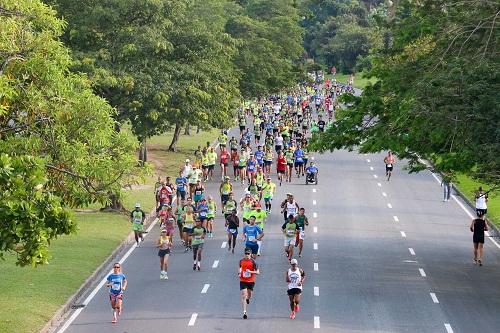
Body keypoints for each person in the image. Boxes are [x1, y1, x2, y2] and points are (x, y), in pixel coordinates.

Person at [239, 248, 260, 319]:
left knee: (249, 295)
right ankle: (244, 312)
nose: (247, 255)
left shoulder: (254, 262)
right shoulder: (241, 261)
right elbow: (240, 268)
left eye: (248, 254)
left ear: (251, 254)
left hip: (251, 281)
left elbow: (258, 272)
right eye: (246, 254)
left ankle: (248, 298)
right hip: (243, 280)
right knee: (244, 295)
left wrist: (250, 272)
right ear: (244, 254)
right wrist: (239, 273)